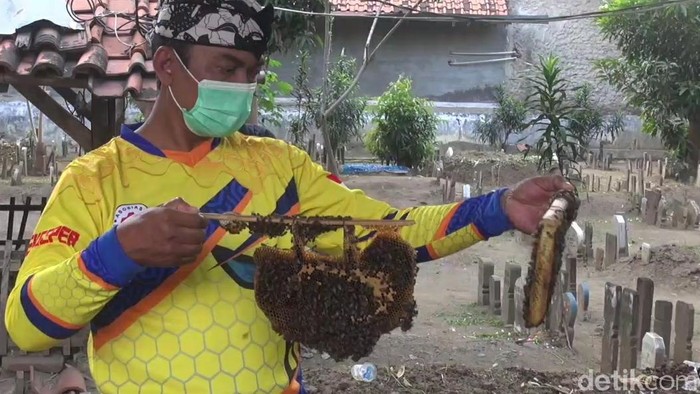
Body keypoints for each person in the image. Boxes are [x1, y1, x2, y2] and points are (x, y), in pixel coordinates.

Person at [4, 0, 573, 393]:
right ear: (166, 66)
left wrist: (496, 208)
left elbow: (392, 229)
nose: (241, 86)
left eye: (250, 71)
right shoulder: (94, 180)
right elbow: (27, 324)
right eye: (225, 66)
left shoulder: (278, 168)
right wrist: (119, 251)